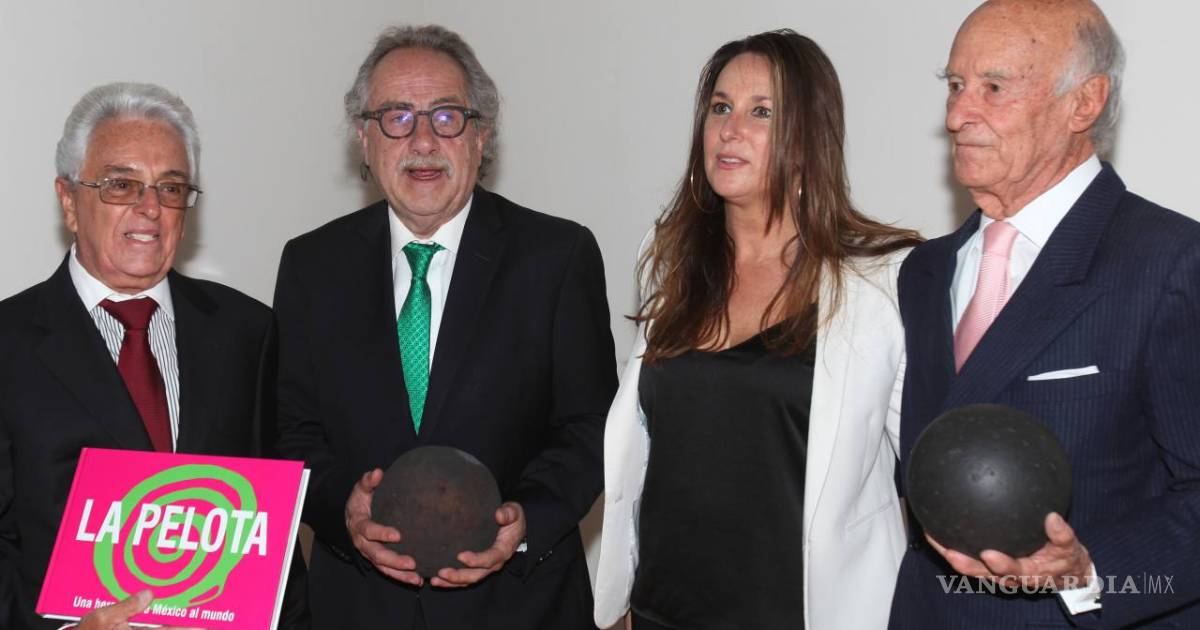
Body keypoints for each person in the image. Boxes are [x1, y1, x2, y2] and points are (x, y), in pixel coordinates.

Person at [272, 24, 617, 630]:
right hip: (357, 609)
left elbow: (591, 427)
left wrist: (525, 520)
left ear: (481, 136)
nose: (423, 140)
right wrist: (343, 512)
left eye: (447, 117)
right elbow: (290, 433)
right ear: (364, 139)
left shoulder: (557, 258)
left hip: (521, 608)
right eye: (397, 117)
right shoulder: (310, 265)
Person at [593, 29, 923, 630]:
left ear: (808, 137)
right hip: (661, 611)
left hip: (805, 614)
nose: (730, 129)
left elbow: (928, 470)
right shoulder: (666, 260)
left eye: (761, 112)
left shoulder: (883, 281)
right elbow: (649, 450)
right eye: (720, 107)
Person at [889, 1, 1200, 628]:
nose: (956, 116)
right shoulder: (924, 271)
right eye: (955, 85)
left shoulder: (1169, 261)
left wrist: (1089, 570)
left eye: (993, 87)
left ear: (1084, 103)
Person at [0, 83, 307, 629]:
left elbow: (272, 531)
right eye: (121, 185)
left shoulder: (246, 332)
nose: (150, 208)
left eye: (171, 187)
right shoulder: (9, 343)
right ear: (69, 201)